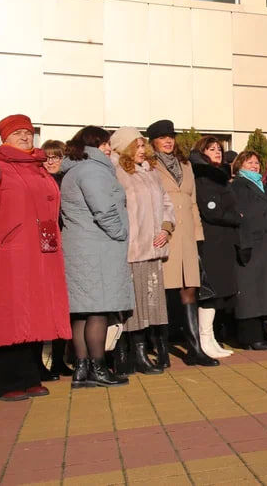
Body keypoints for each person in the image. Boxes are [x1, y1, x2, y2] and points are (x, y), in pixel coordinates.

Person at [0, 115, 71, 401]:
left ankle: (30, 377)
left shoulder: (39, 169)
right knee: (7, 317)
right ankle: (7, 382)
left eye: (28, 132)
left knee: (35, 316)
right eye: (18, 133)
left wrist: (51, 246)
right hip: (7, 257)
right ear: (4, 139)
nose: (25, 137)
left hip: (40, 255)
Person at [61, 126, 133, 388]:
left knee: (81, 312)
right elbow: (104, 209)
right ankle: (99, 368)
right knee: (99, 310)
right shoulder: (93, 170)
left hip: (81, 247)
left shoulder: (74, 169)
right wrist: (121, 233)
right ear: (94, 145)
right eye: (105, 143)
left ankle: (81, 370)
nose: (109, 148)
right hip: (97, 249)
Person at [146, 120, 216, 367]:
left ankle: (194, 349)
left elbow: (193, 202)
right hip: (164, 235)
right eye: (162, 137)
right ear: (152, 141)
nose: (168, 141)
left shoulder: (185, 165)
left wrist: (198, 236)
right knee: (162, 294)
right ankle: (161, 349)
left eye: (171, 137)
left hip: (186, 237)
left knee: (189, 291)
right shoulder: (149, 165)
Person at [110, 128, 173, 375]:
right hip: (130, 250)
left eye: (142, 145)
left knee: (149, 304)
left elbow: (166, 202)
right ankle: (123, 355)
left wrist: (166, 228)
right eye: (135, 146)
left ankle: (141, 352)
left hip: (153, 248)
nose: (141, 150)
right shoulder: (116, 172)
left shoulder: (151, 171)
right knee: (130, 305)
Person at [190, 136, 240, 359]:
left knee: (218, 293)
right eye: (212, 149)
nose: (218, 152)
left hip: (223, 240)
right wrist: (236, 217)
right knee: (210, 293)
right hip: (212, 240)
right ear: (202, 152)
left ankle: (211, 338)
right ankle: (204, 338)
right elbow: (211, 209)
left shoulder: (220, 175)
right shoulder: (204, 176)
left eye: (219, 149)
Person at [231, 151, 267, 350]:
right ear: (239, 166)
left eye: (256, 162)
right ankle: (249, 338)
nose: (254, 165)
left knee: (265, 290)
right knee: (250, 293)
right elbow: (239, 217)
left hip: (266, 244)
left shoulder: (261, 184)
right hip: (250, 244)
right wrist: (243, 244)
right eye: (249, 162)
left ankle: (263, 332)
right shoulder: (238, 185)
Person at [38, 140, 73, 379]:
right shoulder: (39, 182)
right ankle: (37, 362)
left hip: (69, 248)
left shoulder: (69, 181)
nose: (51, 161)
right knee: (43, 307)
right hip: (46, 248)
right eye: (47, 157)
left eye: (57, 157)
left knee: (64, 308)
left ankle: (59, 359)